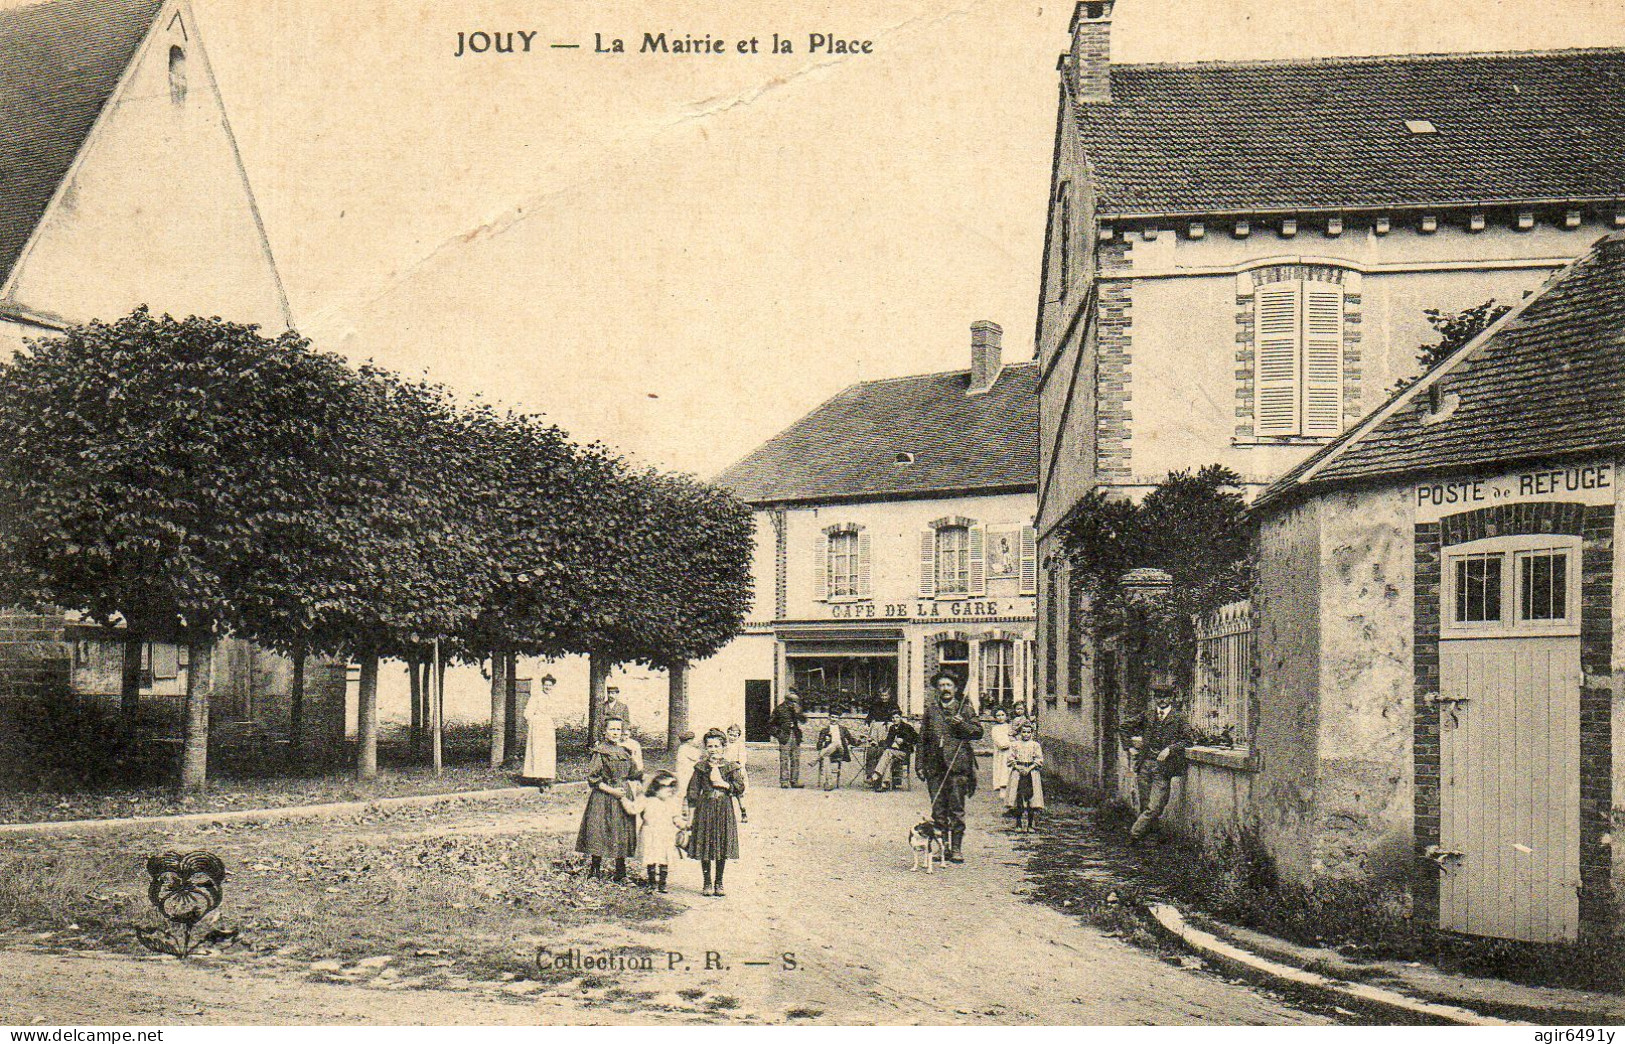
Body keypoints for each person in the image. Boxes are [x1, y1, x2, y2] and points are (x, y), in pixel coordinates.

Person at [918, 671, 982, 862]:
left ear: (955, 688)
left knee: (956, 808)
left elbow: (977, 732)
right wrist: (919, 765)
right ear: (937, 689)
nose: (945, 689)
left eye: (949, 685)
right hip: (934, 767)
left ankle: (956, 849)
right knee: (938, 808)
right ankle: (942, 847)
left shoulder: (965, 709)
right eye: (941, 685)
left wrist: (962, 724)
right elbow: (922, 739)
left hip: (958, 765)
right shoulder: (931, 710)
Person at [1122, 676, 1191, 844]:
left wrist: (1169, 749)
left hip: (1163, 767)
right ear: (1154, 698)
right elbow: (1124, 727)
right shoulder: (1148, 715)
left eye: (1165, 697)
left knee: (1155, 806)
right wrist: (1129, 747)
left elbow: (1188, 739)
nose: (1162, 700)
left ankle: (1134, 835)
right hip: (1145, 765)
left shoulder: (1179, 718)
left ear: (1171, 698)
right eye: (1158, 697)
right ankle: (1151, 838)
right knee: (1146, 805)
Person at [576, 717, 642, 881]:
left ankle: (621, 871)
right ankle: (595, 869)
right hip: (604, 796)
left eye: (618, 729)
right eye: (612, 729)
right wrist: (612, 791)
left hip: (623, 796)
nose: (615, 733)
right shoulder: (600, 752)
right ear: (604, 732)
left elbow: (634, 774)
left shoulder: (625, 752)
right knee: (599, 830)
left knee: (622, 830)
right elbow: (593, 779)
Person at [686, 728, 745, 897]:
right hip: (705, 808)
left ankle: (719, 882)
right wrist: (690, 816)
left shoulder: (730, 767)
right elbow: (692, 791)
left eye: (717, 746)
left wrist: (724, 784)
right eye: (709, 746)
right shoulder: (701, 767)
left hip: (724, 808)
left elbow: (740, 787)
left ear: (724, 747)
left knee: (721, 842)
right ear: (705, 748)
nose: (713, 749)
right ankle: (707, 882)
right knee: (706, 843)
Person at [638, 771, 684, 893]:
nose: (670, 791)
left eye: (671, 789)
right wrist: (623, 799)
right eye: (666, 788)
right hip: (650, 833)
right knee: (651, 857)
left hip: (665, 834)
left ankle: (662, 883)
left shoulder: (672, 803)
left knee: (664, 857)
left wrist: (682, 824)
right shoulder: (648, 801)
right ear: (656, 789)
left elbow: (676, 817)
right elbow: (634, 809)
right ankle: (652, 883)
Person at [1005, 720, 1045, 831]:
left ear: (1032, 733)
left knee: (1031, 798)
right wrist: (1018, 767)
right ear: (1020, 732)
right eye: (1023, 732)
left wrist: (1030, 768)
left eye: (1028, 732)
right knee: (1019, 798)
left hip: (1031, 773)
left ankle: (1030, 824)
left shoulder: (1035, 745)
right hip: (1018, 772)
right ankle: (1018, 824)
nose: (1026, 734)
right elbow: (1010, 759)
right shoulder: (1015, 745)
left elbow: (1039, 759)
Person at [521, 673, 558, 790]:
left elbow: (555, 714)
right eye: (546, 685)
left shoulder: (553, 698)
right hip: (538, 728)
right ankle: (539, 778)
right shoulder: (536, 697)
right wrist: (535, 721)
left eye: (550, 685)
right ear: (542, 685)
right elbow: (527, 713)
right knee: (539, 752)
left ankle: (548, 777)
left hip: (548, 728)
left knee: (548, 752)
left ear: (552, 687)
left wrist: (553, 723)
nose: (547, 687)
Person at [868, 710, 917, 791]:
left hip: (904, 753)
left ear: (901, 718)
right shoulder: (892, 728)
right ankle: (885, 784)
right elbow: (888, 742)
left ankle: (876, 775)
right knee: (889, 759)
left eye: (897, 717)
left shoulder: (907, 727)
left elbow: (916, 739)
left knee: (887, 752)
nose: (895, 719)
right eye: (893, 718)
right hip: (893, 753)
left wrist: (904, 741)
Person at [768, 693, 808, 788]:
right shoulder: (779, 709)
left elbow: (803, 721)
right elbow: (770, 725)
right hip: (785, 736)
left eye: (796, 702)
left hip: (795, 735)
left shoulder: (796, 709)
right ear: (787, 701)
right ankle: (784, 781)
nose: (794, 704)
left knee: (795, 759)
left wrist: (798, 713)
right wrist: (779, 734)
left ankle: (794, 781)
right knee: (784, 759)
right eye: (793, 702)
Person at [815, 714, 853, 790]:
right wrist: (825, 741)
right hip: (829, 752)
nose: (834, 719)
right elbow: (819, 745)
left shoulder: (843, 729)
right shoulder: (825, 730)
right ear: (829, 718)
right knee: (826, 758)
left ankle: (816, 759)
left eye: (836, 717)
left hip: (839, 751)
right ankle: (829, 783)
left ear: (839, 719)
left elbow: (851, 740)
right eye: (832, 717)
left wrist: (860, 741)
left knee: (836, 743)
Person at [725, 723, 750, 822]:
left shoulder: (740, 745)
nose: (732, 737)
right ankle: (728, 815)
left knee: (739, 793)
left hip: (736, 770)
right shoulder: (725, 745)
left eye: (735, 736)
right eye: (730, 735)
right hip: (726, 770)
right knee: (726, 793)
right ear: (727, 734)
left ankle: (743, 812)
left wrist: (741, 769)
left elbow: (742, 760)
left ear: (738, 736)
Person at [988, 707, 1013, 797]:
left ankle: (1011, 788)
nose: (1000, 717)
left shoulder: (1009, 727)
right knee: (1001, 769)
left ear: (1006, 716)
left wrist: (1011, 743)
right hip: (1001, 752)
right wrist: (1005, 744)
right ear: (995, 717)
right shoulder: (995, 728)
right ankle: (1002, 789)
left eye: (1002, 715)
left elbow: (1013, 737)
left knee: (1009, 769)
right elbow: (997, 740)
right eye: (998, 715)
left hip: (1010, 752)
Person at [673, 730, 701, 797]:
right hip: (686, 769)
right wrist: (698, 749)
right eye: (692, 740)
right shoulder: (686, 748)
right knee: (685, 782)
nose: (693, 741)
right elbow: (695, 757)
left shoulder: (682, 747)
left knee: (684, 782)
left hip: (684, 768)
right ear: (688, 741)